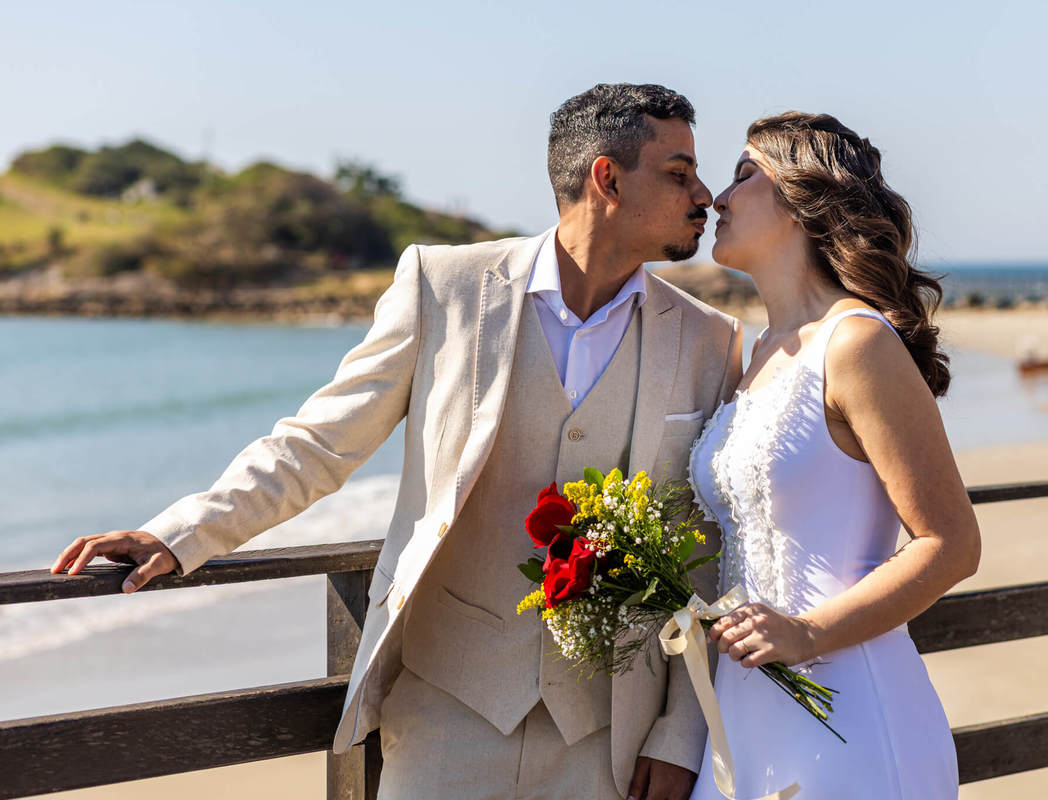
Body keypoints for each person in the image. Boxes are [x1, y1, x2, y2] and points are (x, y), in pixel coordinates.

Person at [50, 83, 744, 800]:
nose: (705, 193)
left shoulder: (708, 340)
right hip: (448, 712)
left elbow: (706, 548)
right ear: (606, 177)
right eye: (679, 172)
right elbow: (319, 442)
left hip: (610, 741)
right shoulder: (444, 287)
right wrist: (183, 532)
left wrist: (679, 732)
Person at [687, 112, 980, 799]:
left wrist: (808, 632)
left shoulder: (856, 344)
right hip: (740, 716)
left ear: (801, 197)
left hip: (850, 716)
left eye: (742, 176)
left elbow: (951, 542)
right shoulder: (752, 355)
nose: (715, 199)